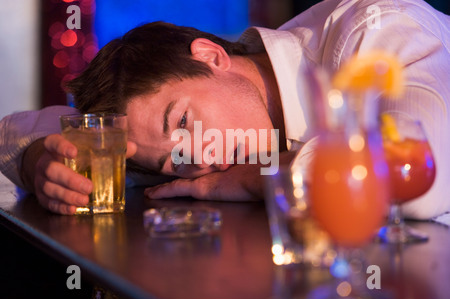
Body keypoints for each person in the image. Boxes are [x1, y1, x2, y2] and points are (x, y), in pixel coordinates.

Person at [0, 0, 449, 219]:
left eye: (183, 121)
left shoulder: (370, 33)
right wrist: (38, 157)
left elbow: (420, 175)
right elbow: (9, 133)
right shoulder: (198, 154)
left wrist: (271, 177)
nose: (203, 157)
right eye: (174, 161)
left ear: (211, 57)